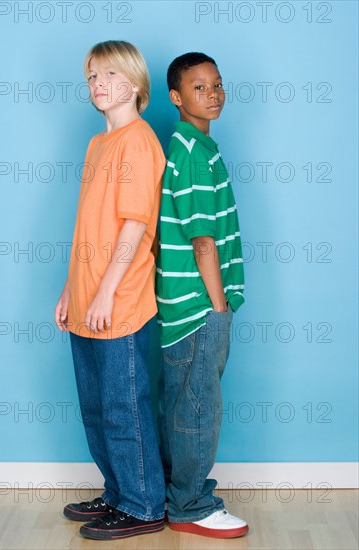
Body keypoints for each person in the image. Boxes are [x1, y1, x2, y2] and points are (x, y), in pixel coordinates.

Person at [54, 40, 166, 541]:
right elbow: (90, 227)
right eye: (92, 77)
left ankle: (144, 505)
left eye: (110, 75)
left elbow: (134, 226)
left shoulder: (139, 141)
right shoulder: (98, 144)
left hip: (118, 302)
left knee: (125, 407)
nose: (99, 85)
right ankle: (118, 492)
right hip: (85, 297)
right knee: (97, 406)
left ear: (136, 83)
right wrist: (70, 290)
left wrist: (103, 293)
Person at [156, 52, 249, 538]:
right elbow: (203, 240)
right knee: (198, 407)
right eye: (198, 87)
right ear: (176, 97)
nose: (212, 94)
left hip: (181, 306)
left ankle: (175, 494)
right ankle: (191, 505)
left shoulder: (193, 146)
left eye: (217, 84)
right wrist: (217, 305)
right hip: (198, 306)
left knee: (180, 403)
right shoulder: (191, 151)